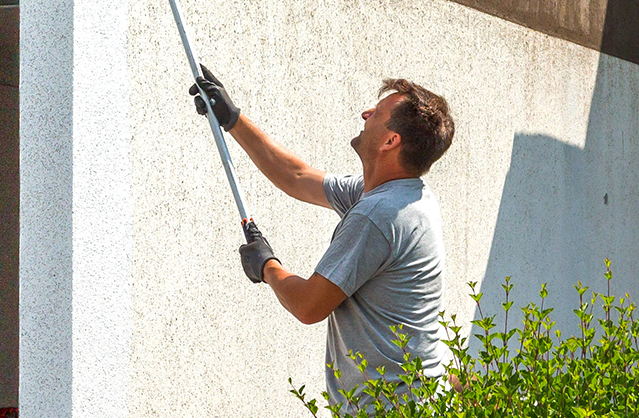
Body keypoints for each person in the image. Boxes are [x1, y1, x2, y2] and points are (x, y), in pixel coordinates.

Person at [191, 69, 456, 411]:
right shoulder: (402, 195)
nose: (366, 114)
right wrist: (233, 118)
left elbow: (308, 305)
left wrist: (266, 265)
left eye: (376, 113)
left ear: (391, 141)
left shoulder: (378, 215)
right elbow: (297, 176)